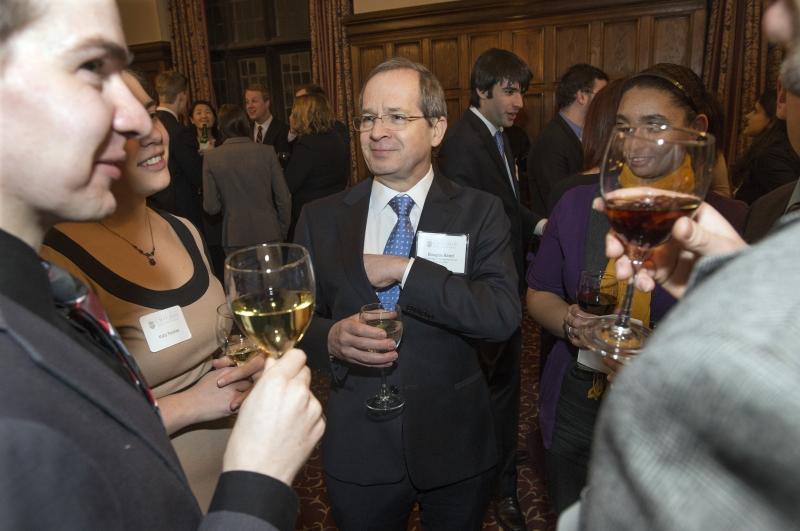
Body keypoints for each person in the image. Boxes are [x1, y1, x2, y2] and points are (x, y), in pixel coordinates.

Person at [0, 0, 323, 528]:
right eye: (90, 69)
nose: (132, 122)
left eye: (147, 107)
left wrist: (243, 371)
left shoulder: (177, 234)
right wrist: (256, 480)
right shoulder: (43, 289)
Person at [556, 1, 800, 528]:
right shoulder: (585, 201)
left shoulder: (734, 217)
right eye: (625, 126)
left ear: (697, 131)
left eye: (655, 125)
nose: (776, 19)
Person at [294, 57, 520, 530]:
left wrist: (406, 268)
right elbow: (294, 327)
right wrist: (330, 339)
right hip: (359, 448)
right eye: (368, 118)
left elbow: (500, 315)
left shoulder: (481, 213)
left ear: (436, 129)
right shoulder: (322, 218)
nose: (378, 131)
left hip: (456, 443)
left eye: (397, 117)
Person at [39, 71, 262, 511]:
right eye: (118, 122)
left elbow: (220, 338)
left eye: (146, 111)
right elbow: (65, 431)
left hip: (241, 476)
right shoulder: (54, 265)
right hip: (154, 498)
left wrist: (249, 364)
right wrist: (190, 406)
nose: (150, 133)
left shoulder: (183, 231)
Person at [437, 47, 544, 531]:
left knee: (503, 388)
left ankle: (497, 474)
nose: (519, 99)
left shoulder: (500, 138)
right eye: (510, 89)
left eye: (521, 89)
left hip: (501, 283)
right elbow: (479, 222)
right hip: (481, 291)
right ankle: (492, 486)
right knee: (488, 393)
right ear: (482, 90)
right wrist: (541, 224)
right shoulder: (463, 143)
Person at [203, 104, 291, 253]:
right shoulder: (267, 152)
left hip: (234, 236)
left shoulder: (211, 158)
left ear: (220, 127)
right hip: (269, 231)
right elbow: (284, 197)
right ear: (245, 125)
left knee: (240, 277)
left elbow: (212, 207)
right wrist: (281, 229)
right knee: (273, 277)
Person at [528, 64, 608, 214]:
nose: (605, 102)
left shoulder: (585, 134)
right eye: (602, 95)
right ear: (582, 97)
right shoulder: (551, 140)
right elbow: (557, 197)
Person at [284, 93, 350, 240]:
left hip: (312, 216)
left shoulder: (306, 145)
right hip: (336, 211)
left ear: (303, 115)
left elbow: (289, 184)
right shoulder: (336, 137)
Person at [149, 70, 205, 230]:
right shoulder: (180, 131)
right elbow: (197, 175)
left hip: (155, 208)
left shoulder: (148, 125)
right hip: (181, 209)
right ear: (182, 96)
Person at [733, 88, 800, 204]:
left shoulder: (770, 156)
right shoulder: (770, 151)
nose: (747, 116)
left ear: (771, 120)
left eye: (755, 111)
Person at [290, 82, 351, 149]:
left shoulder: (337, 129)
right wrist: (292, 131)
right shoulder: (301, 128)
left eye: (302, 101)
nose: (296, 107)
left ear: (315, 103)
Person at [244, 83, 291, 161]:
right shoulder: (245, 131)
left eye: (254, 101)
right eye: (247, 102)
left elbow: (285, 157)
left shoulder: (283, 130)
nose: (249, 106)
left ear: (267, 103)